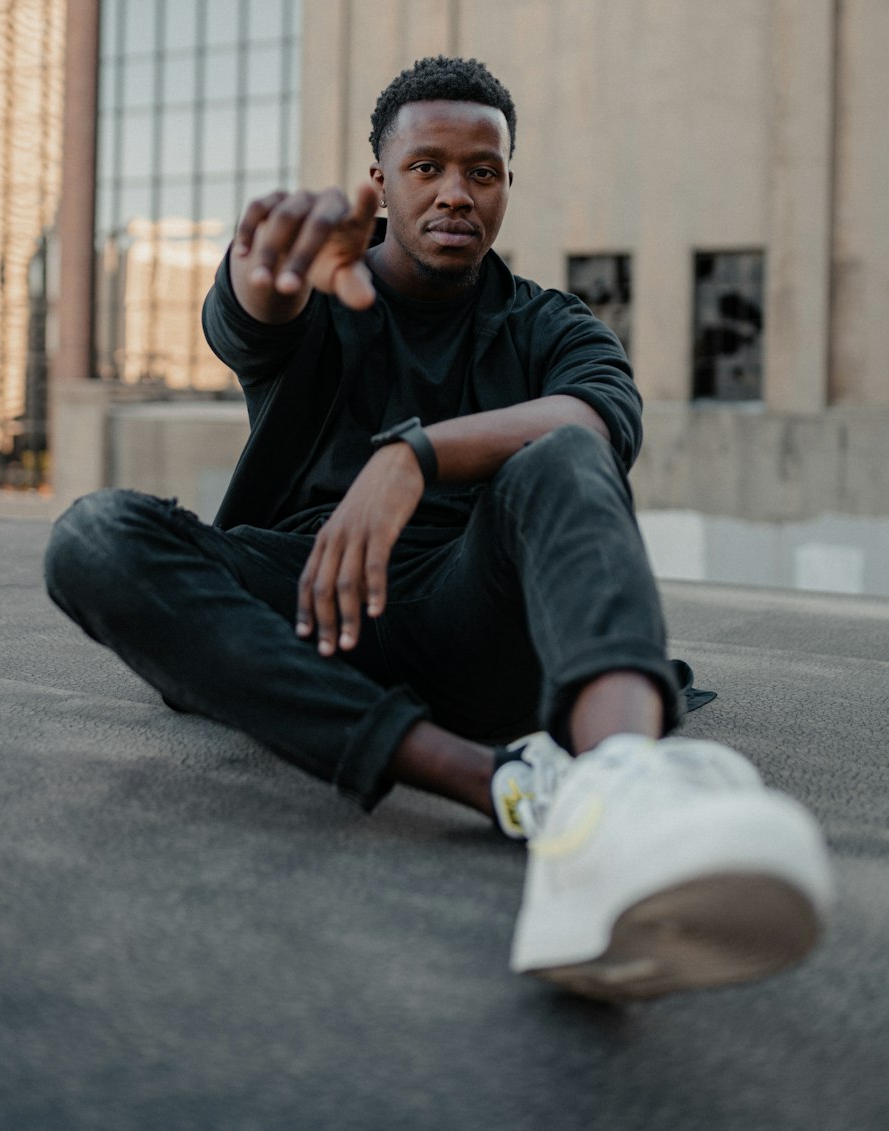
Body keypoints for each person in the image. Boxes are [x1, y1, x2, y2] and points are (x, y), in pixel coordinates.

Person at [45, 54, 833, 1000]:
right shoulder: (324, 290)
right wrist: (268, 271)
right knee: (94, 536)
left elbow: (600, 422)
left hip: (476, 614)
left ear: (505, 183)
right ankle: (503, 785)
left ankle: (622, 790)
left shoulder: (550, 323)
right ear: (379, 180)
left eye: (483, 170)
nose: (456, 193)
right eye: (427, 168)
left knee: (564, 450)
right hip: (308, 608)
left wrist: (413, 454)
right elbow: (257, 310)